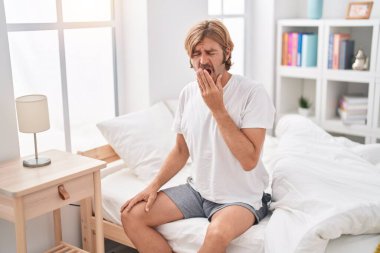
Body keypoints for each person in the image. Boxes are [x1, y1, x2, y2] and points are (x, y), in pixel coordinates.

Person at [120, 19, 275, 253]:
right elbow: (181, 151)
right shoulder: (188, 93)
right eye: (196, 54)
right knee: (131, 215)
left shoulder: (252, 93)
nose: (202, 61)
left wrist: (218, 108)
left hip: (241, 197)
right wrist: (153, 186)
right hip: (198, 191)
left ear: (227, 52)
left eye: (210, 52)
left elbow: (249, 159)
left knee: (216, 234)